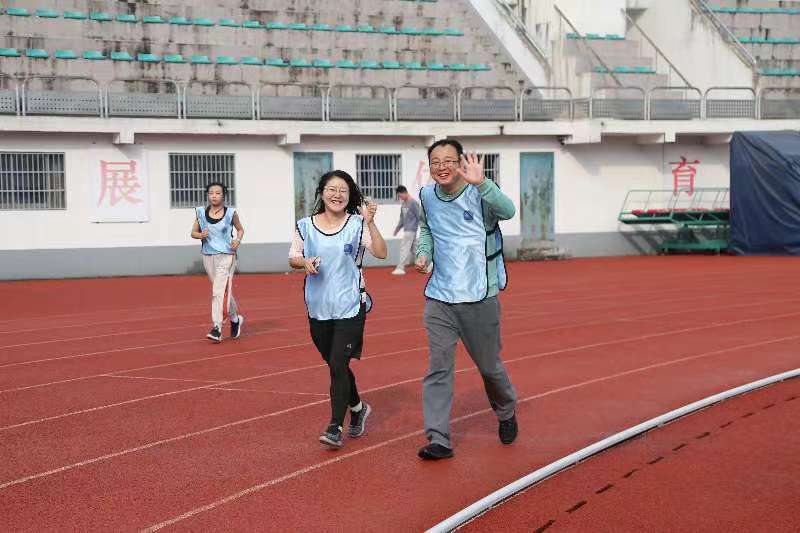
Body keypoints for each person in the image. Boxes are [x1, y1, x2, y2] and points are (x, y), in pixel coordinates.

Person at [415, 139, 518, 460]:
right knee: (438, 368)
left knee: (489, 367)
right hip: (440, 297)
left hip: (479, 295)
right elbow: (427, 229)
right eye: (435, 161)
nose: (441, 167)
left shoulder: (479, 191)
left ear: (460, 163)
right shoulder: (427, 195)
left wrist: (483, 183)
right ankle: (439, 438)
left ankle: (506, 411)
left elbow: (508, 211)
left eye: (448, 160)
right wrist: (423, 253)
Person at [289, 170, 388, 448]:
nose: (337, 195)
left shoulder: (358, 224)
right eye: (332, 189)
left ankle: (335, 426)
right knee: (336, 365)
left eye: (343, 190)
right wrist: (304, 262)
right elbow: (293, 257)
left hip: (350, 306)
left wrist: (371, 223)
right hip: (318, 307)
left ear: (349, 195)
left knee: (337, 364)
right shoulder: (305, 225)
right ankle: (358, 408)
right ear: (322, 193)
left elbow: (381, 253)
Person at [190, 182, 244, 343]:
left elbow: (240, 229)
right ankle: (235, 319)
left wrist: (237, 240)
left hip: (227, 255)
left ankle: (217, 328)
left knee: (218, 292)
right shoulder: (200, 213)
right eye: (211, 193)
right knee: (221, 290)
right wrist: (200, 235)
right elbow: (193, 232)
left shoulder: (230, 213)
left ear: (223, 195)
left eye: (218, 193)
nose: (214, 196)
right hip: (208, 256)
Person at [391, 185, 421, 275]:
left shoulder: (413, 203)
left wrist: (425, 228)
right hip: (408, 229)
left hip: (411, 230)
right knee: (414, 249)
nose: (400, 198)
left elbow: (419, 216)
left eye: (400, 196)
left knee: (404, 248)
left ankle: (400, 268)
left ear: (404, 192)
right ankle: (425, 264)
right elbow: (402, 218)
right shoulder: (404, 204)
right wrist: (397, 229)